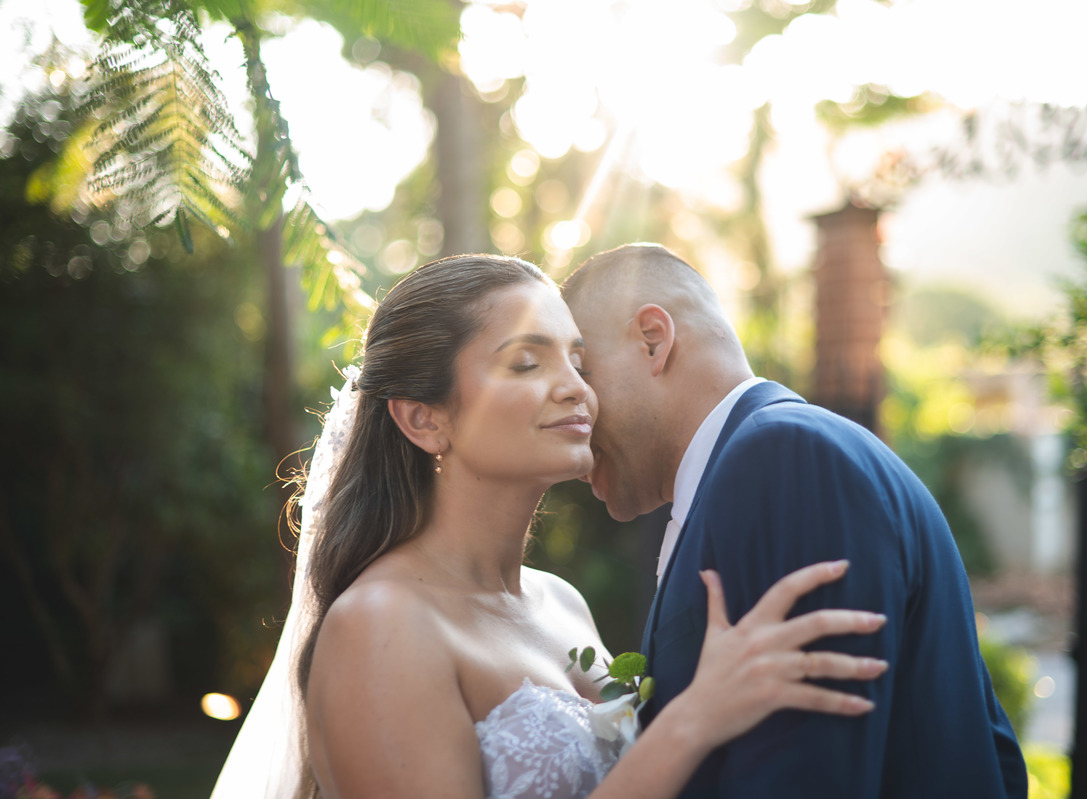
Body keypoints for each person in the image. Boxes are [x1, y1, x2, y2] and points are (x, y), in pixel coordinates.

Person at [212, 254, 890, 799]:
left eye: (577, 359)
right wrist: (692, 720)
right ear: (425, 418)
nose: (576, 387)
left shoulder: (563, 602)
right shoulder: (381, 623)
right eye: (527, 362)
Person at [561, 243, 1028, 798]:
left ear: (653, 341)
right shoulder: (763, 463)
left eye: (581, 372)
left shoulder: (783, 459)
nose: (572, 409)